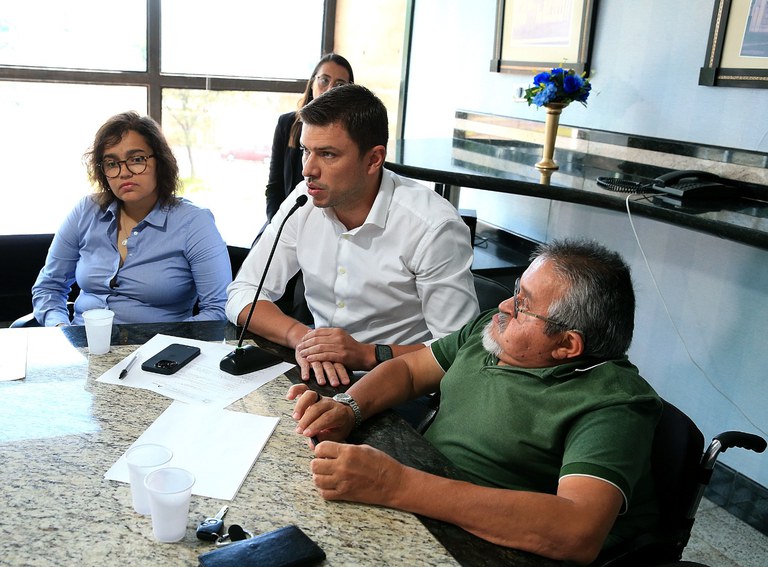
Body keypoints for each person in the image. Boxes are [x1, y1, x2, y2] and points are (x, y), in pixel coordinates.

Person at [288, 239, 662, 565]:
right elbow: (410, 371)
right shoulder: (494, 333)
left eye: (523, 305)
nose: (504, 305)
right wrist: (348, 408)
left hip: (491, 546)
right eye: (516, 291)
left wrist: (396, 485)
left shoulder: (616, 404)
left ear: (567, 344)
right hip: (422, 498)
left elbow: (576, 531)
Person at [227, 84, 479, 387]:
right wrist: (306, 340)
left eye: (328, 154)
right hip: (320, 373)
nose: (308, 170)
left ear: (373, 159)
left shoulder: (433, 226)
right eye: (306, 151)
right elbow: (243, 293)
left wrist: (368, 354)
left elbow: (459, 349)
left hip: (403, 387)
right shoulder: (304, 201)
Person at [32, 111, 231, 326]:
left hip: (161, 344)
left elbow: (218, 309)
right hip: (82, 341)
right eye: (111, 163)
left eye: (137, 160)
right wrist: (61, 329)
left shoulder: (194, 222)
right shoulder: (86, 210)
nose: (124, 172)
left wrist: (169, 344)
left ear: (160, 162)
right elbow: (49, 287)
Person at [265, 53, 354, 221]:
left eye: (339, 84)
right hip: (287, 217)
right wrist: (275, 224)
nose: (330, 89)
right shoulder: (286, 124)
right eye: (324, 80)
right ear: (312, 82)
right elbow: (274, 187)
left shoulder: (352, 133)